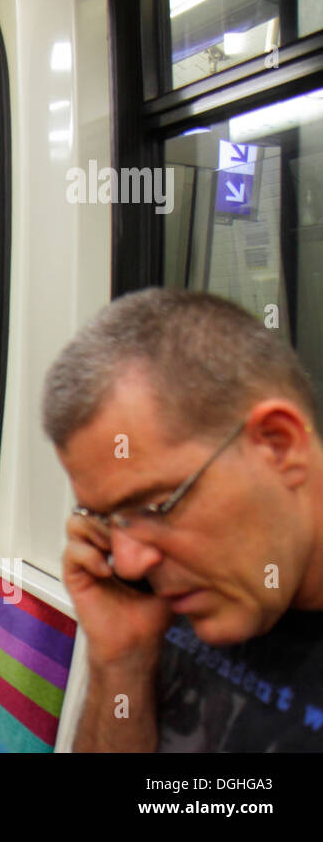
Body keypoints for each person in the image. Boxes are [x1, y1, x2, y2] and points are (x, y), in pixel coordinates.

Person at [42, 288, 323, 751]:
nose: (129, 565)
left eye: (153, 507)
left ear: (279, 445)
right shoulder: (171, 602)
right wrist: (122, 660)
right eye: (108, 520)